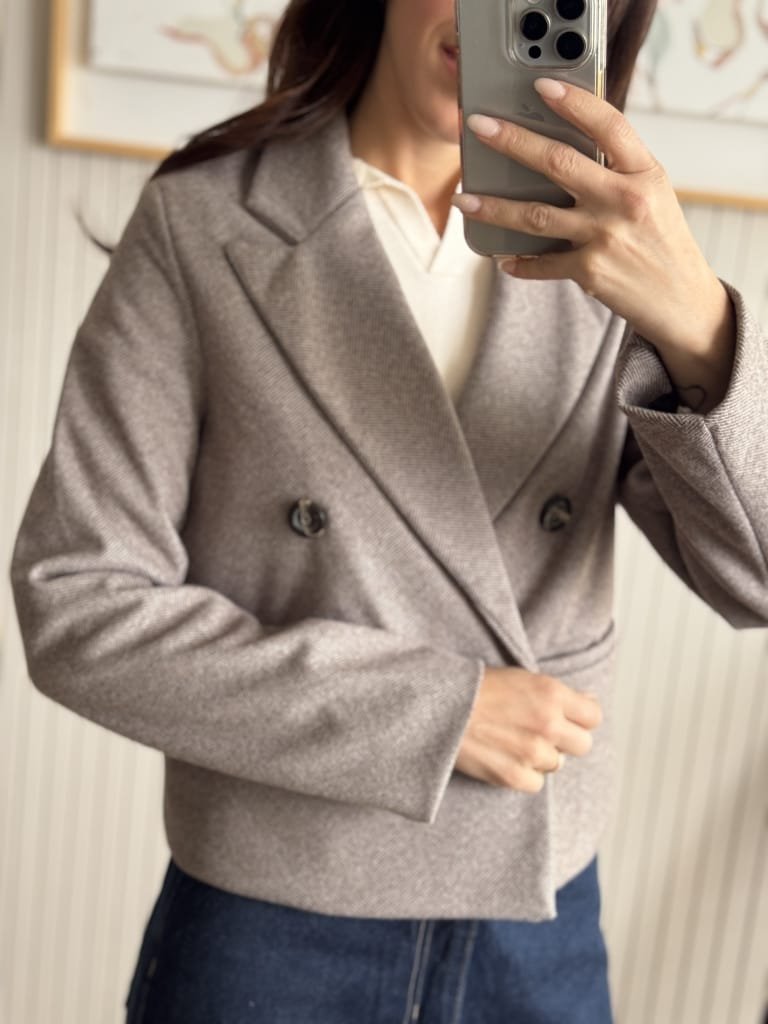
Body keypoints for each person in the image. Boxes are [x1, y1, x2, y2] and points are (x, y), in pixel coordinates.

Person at [10, 0, 768, 1021]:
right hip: (270, 909)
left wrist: (701, 327)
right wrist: (433, 712)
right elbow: (78, 603)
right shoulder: (205, 222)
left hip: (535, 910)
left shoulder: (617, 249)